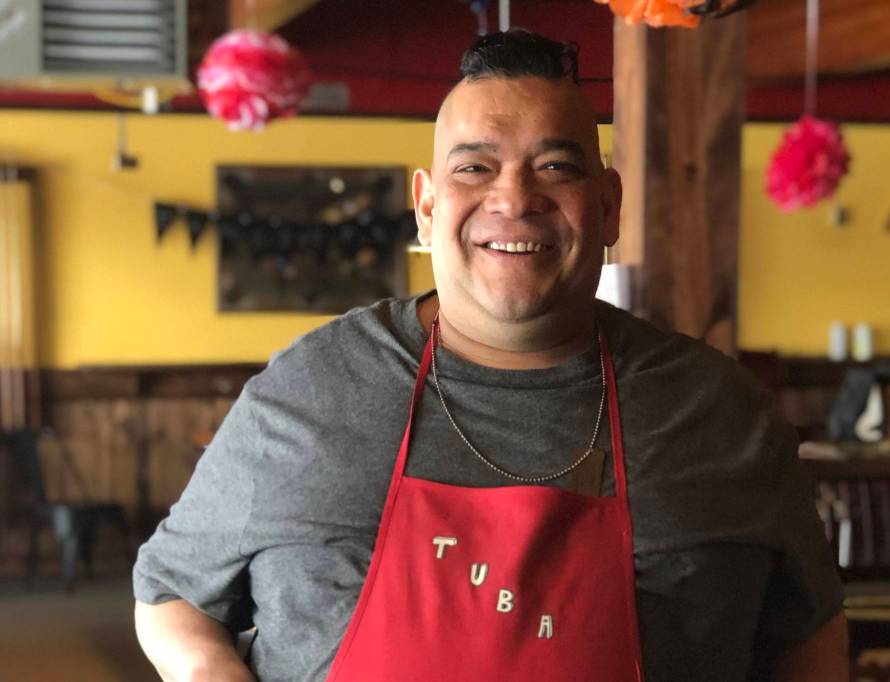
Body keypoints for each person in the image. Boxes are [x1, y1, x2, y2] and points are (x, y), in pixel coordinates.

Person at [134, 29, 848, 682]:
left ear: (608, 205)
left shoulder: (721, 411)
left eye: (556, 166)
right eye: (475, 167)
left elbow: (807, 632)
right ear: (426, 206)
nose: (515, 196)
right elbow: (171, 592)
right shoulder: (309, 389)